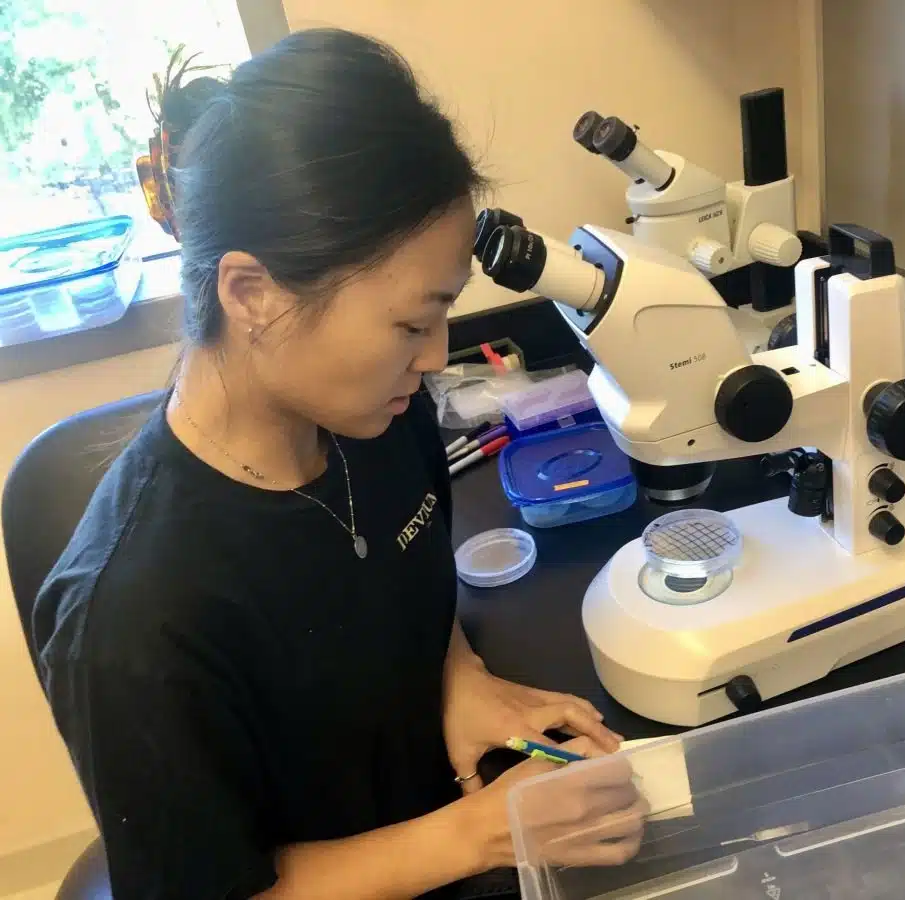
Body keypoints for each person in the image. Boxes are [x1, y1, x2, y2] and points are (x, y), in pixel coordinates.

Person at [34, 28, 646, 900]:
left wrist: (459, 681)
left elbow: (399, 602)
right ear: (252, 295)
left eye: (443, 316)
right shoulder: (132, 624)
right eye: (410, 324)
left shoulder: (376, 417)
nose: (438, 357)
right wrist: (479, 833)